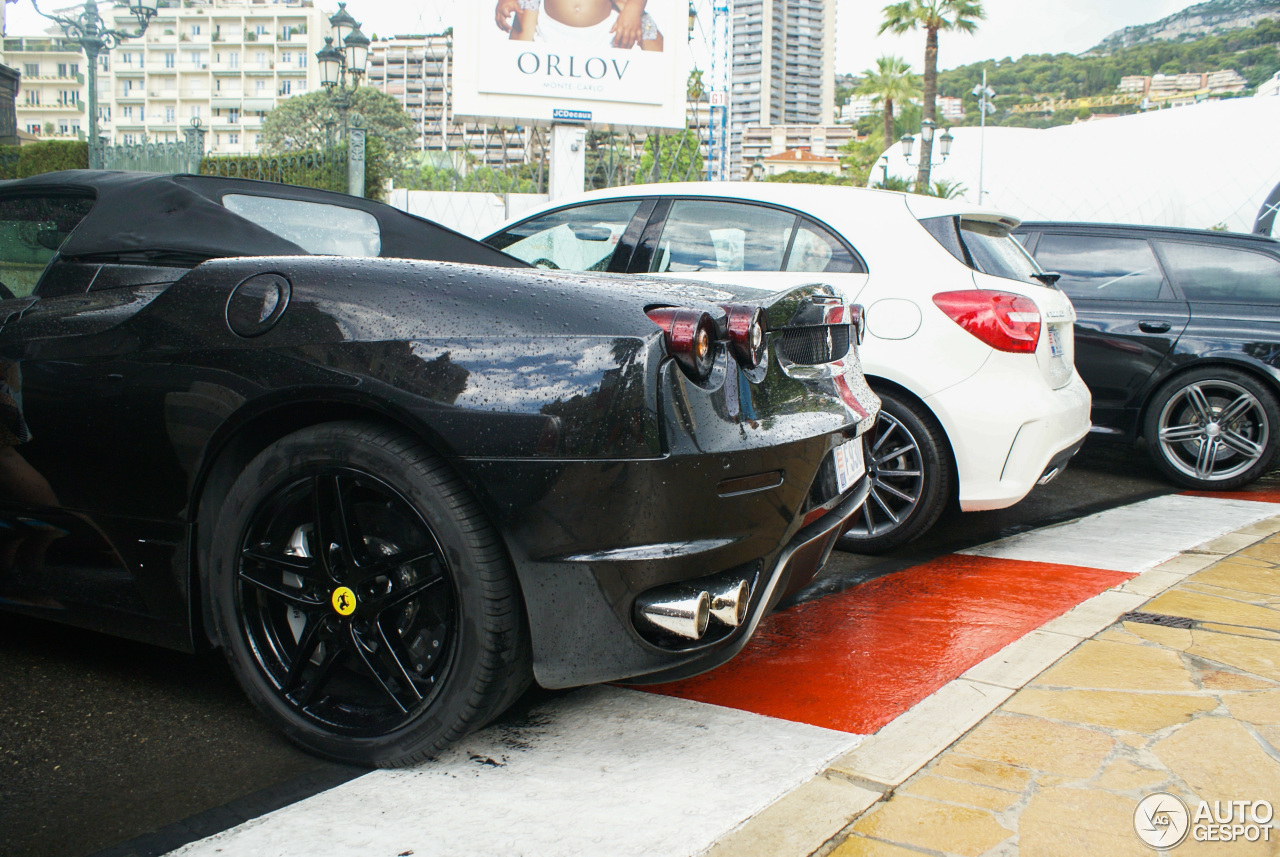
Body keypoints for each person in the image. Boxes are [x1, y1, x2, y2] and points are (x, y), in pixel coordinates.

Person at [496, 0, 664, 51]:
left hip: (608, 30)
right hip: (547, 28)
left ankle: (659, 106)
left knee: (649, 31)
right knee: (524, 6)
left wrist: (634, 9)